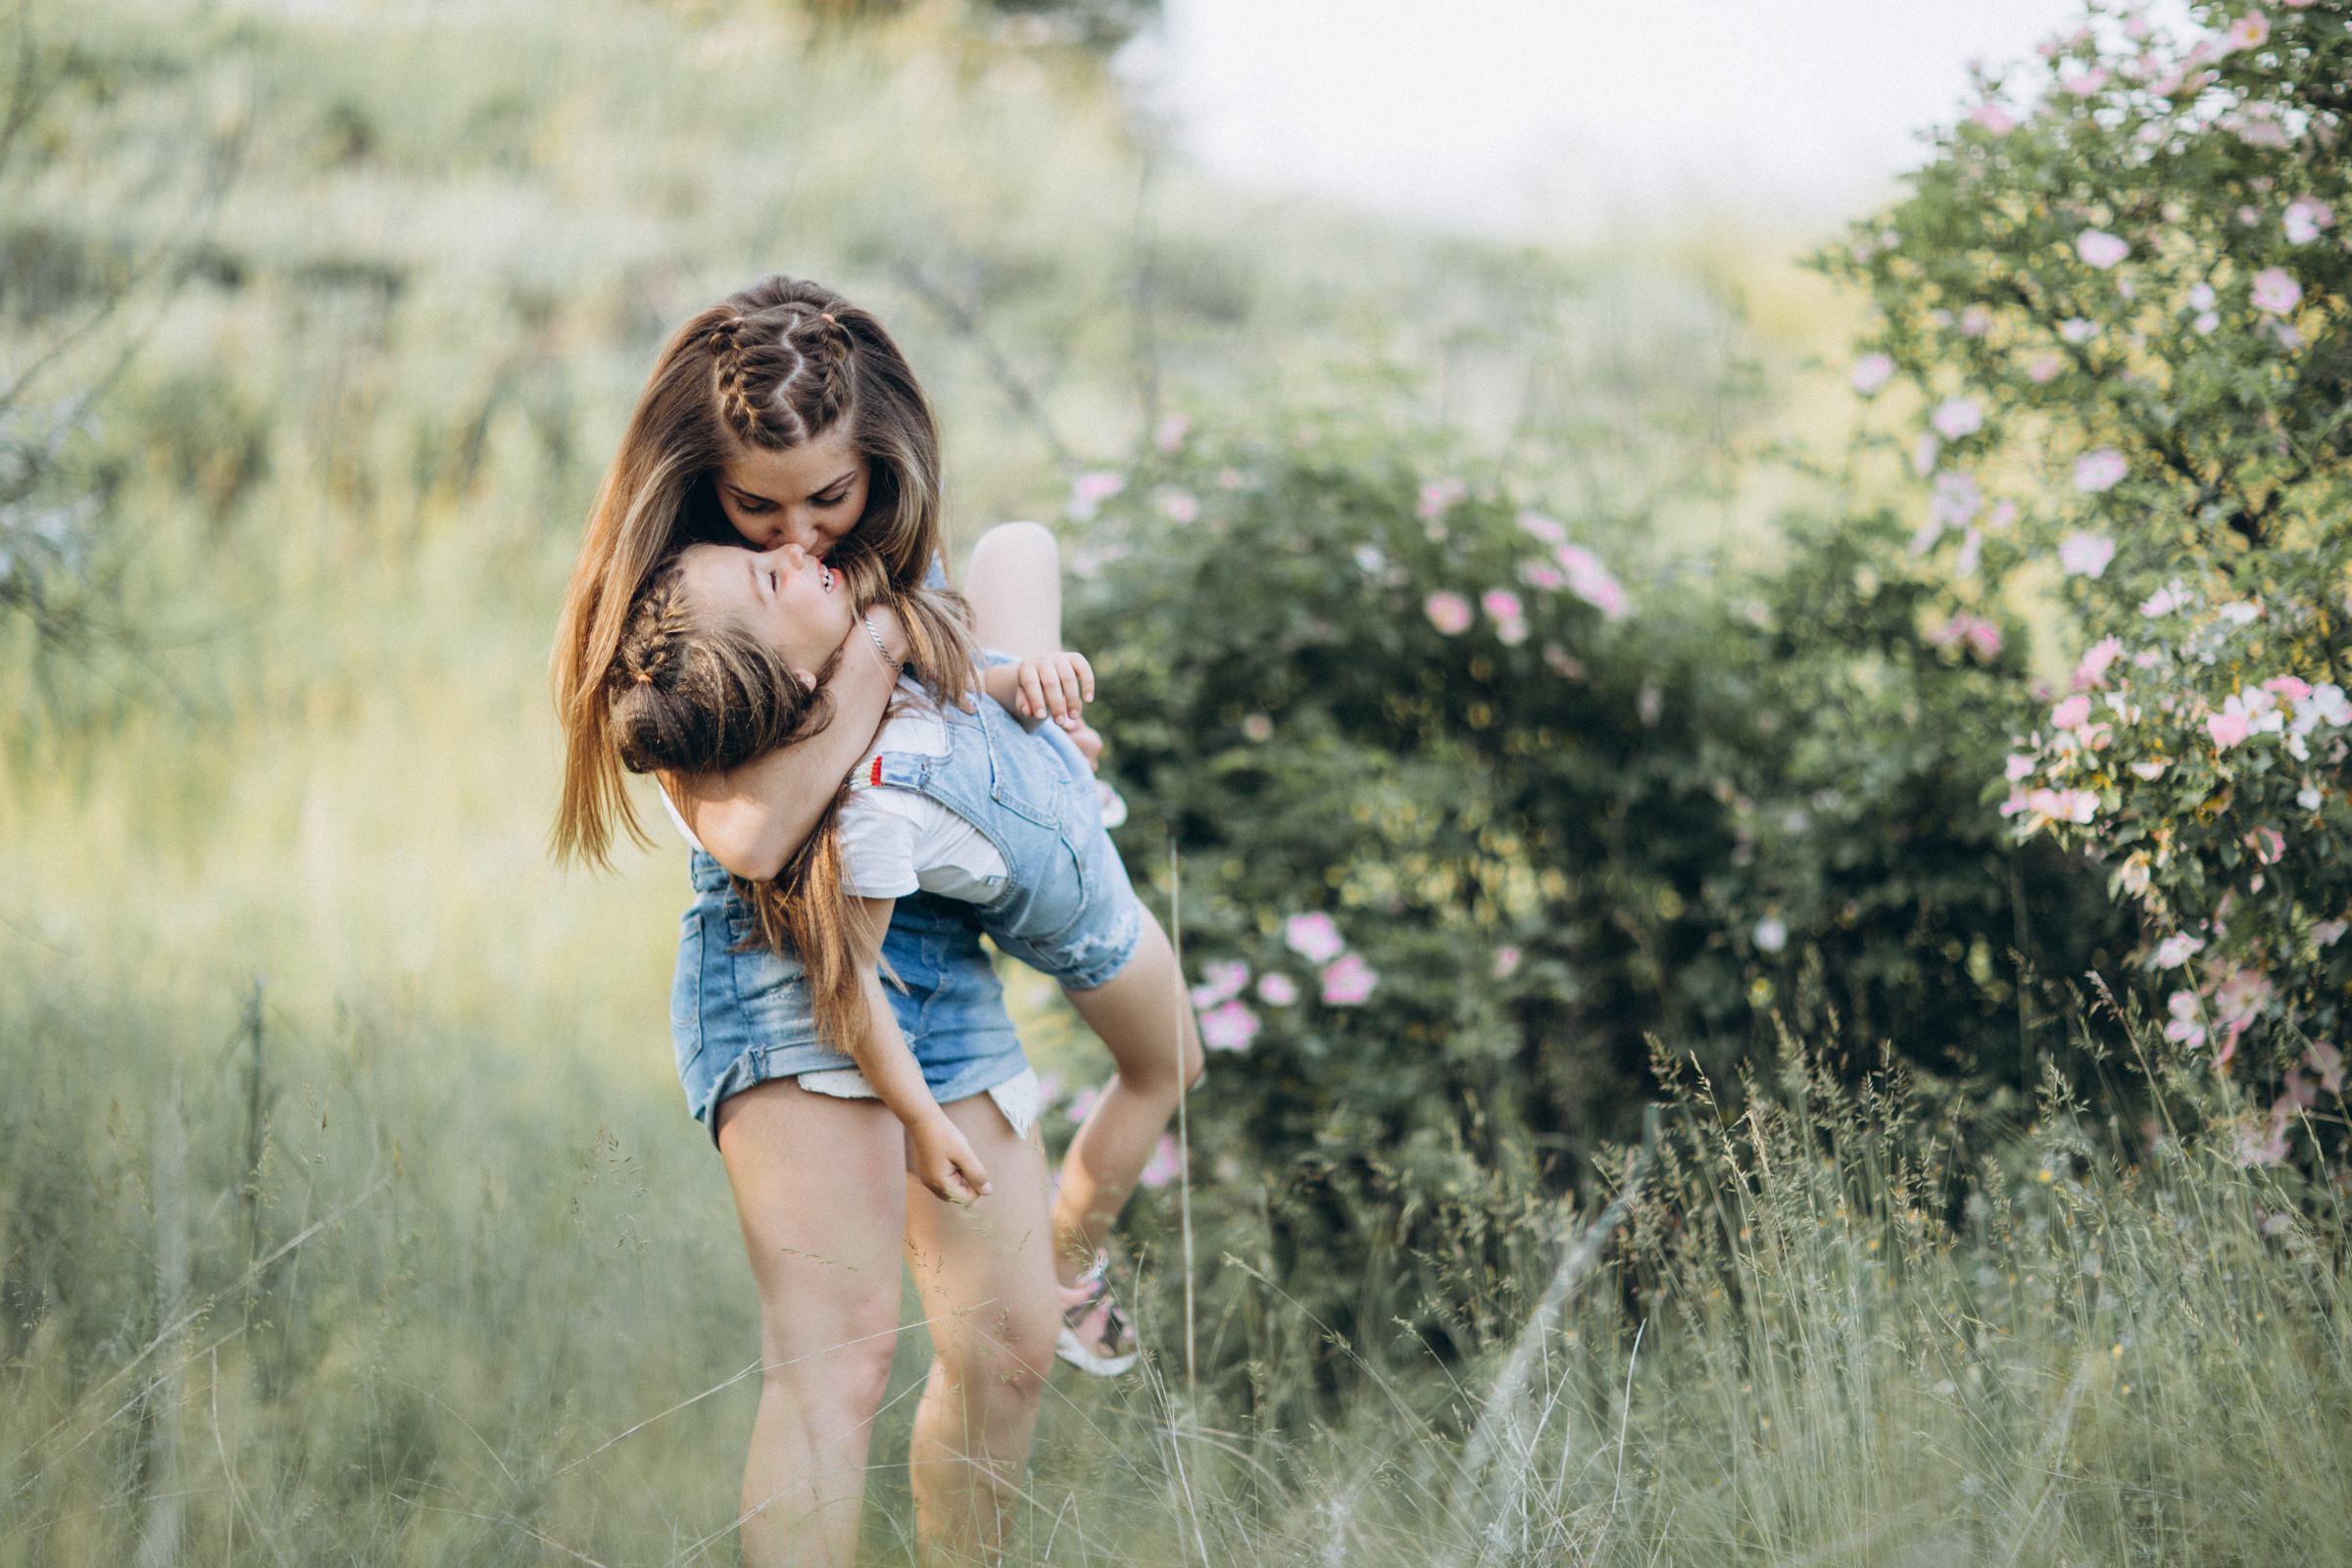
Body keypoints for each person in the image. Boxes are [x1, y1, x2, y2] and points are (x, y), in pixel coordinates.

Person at [549, 277, 1191, 1567]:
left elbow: (980, 717)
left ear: (880, 459)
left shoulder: (884, 567)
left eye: (830, 500)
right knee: (836, 1370)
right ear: (701, 478)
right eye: (760, 506)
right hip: (781, 964)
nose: (800, 537)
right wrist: (881, 650)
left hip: (937, 962)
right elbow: (749, 832)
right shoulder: (688, 588)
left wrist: (1026, 740)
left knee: (1008, 1352)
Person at [612, 523, 1203, 1371]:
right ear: (794, 677)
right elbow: (850, 986)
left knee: (1016, 545)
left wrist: (1028, 682)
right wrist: (921, 1119)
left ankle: (1063, 1267)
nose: (789, 548)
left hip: (1053, 789)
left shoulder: (882, 656)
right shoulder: (872, 814)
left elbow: (977, 686)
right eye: (769, 582)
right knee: (1170, 1064)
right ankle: (1071, 1262)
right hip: (1087, 909)